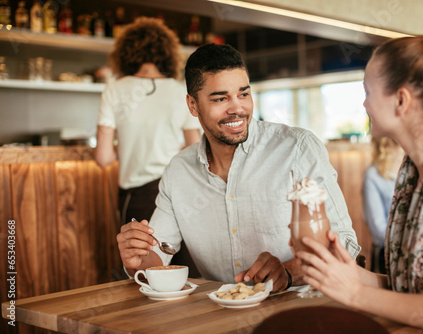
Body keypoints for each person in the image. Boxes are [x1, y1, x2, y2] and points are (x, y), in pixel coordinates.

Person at [296, 32, 423, 333]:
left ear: (401, 100)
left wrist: (355, 293)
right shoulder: (414, 174)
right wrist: (350, 274)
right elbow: (413, 290)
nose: (363, 103)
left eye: (367, 91)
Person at [116, 43, 361, 292]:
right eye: (221, 98)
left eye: (243, 94)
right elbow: (157, 253)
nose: (237, 109)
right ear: (192, 105)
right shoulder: (178, 172)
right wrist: (137, 260)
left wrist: (288, 272)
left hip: (302, 312)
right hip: (222, 319)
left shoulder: (297, 148)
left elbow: (346, 245)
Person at [95, 17, 201, 227]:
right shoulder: (180, 91)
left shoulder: (114, 89)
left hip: (137, 198)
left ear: (125, 53)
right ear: (168, 54)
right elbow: (195, 149)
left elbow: (103, 157)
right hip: (178, 192)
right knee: (179, 259)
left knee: (139, 258)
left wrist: (127, 146)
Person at [362, 137, 403, 273]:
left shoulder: (411, 167)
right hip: (387, 254)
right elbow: (378, 229)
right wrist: (408, 239)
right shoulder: (373, 175)